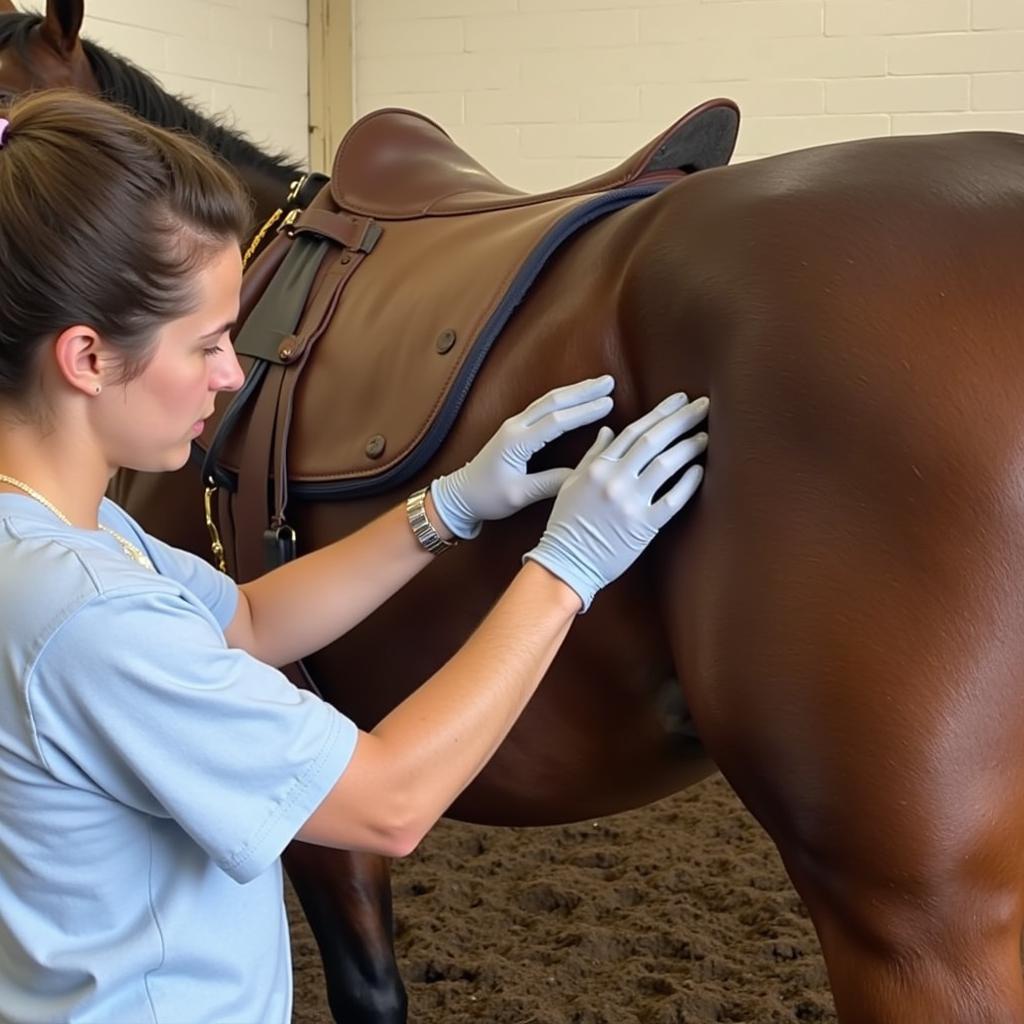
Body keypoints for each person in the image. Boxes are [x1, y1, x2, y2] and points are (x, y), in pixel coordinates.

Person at [0, 90, 709, 1024]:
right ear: (87, 358)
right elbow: (390, 803)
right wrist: (565, 568)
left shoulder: (61, 533)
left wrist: (446, 507)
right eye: (208, 343)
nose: (227, 374)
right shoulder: (86, 610)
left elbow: (248, 622)